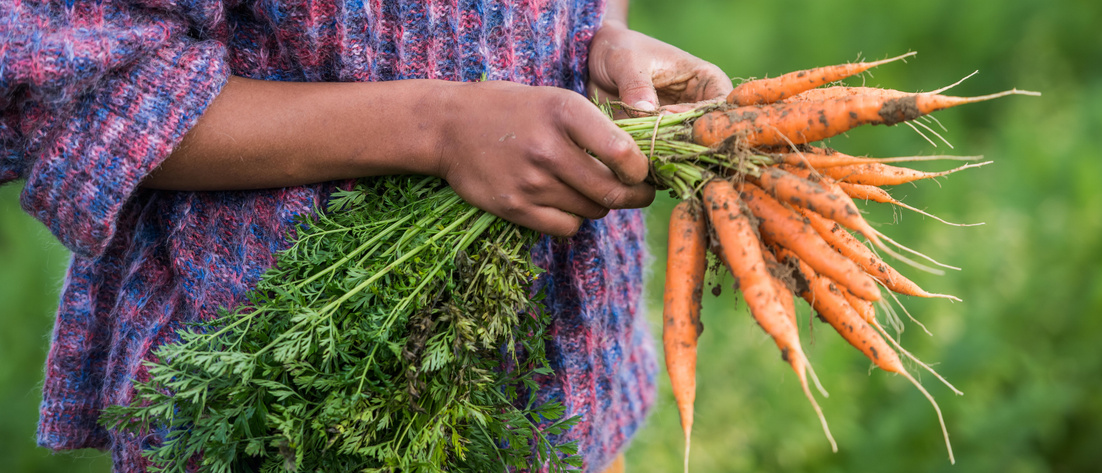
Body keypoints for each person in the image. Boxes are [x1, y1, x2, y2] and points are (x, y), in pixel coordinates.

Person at [1, 0, 731, 471]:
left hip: (560, 392)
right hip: (282, 394)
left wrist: (599, 35)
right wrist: (439, 128)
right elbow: (74, 88)